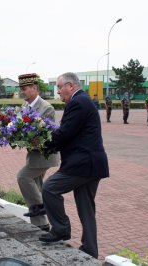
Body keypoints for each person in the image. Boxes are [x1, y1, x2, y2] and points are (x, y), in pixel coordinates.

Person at [39, 72, 109, 259]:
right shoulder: (83, 101)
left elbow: (65, 133)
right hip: (92, 164)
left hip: (83, 164)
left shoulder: (77, 103)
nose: (59, 91)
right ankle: (90, 251)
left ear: (70, 86)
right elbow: (69, 132)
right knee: (86, 209)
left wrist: (42, 143)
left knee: (49, 188)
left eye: (60, 87)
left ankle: (61, 229)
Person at [17, 73, 60, 232]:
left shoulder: (46, 108)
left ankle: (44, 206)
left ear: (34, 88)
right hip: (33, 155)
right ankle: (41, 225)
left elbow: (45, 136)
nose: (23, 92)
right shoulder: (24, 106)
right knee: (36, 184)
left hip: (45, 155)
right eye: (21, 89)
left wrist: (26, 137)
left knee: (23, 177)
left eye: (25, 89)